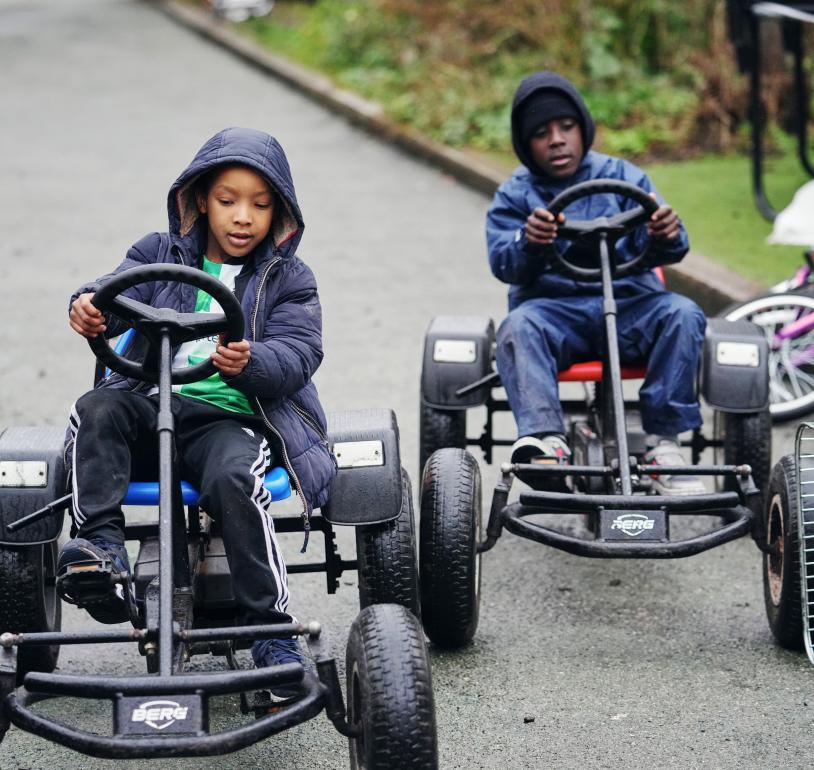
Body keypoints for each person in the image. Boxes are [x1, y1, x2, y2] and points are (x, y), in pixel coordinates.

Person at [59, 127, 336, 680]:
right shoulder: (157, 253)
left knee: (236, 478)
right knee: (97, 409)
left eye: (260, 205)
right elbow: (115, 290)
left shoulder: (289, 278)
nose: (243, 217)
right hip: (151, 403)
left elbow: (301, 351)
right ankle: (102, 551)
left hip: (232, 419)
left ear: (279, 212)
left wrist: (253, 361)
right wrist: (90, 308)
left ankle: (270, 631)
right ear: (201, 200)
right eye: (228, 201)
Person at [487, 72, 707, 495]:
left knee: (684, 313)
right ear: (525, 144)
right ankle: (546, 442)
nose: (556, 140)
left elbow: (671, 246)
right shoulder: (515, 195)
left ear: (583, 129)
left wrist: (663, 234)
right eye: (541, 133)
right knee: (517, 327)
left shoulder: (623, 176)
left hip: (629, 306)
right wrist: (528, 243)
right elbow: (503, 263)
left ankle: (664, 445)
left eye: (566, 127)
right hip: (555, 314)